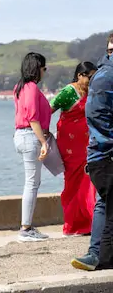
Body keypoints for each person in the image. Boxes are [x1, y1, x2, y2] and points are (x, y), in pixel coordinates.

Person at [72, 33, 113, 271]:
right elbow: (99, 118)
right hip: (106, 154)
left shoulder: (102, 73)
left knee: (103, 203)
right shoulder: (107, 76)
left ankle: (95, 253)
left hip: (99, 153)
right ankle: (99, 256)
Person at [50, 62, 98, 236]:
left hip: (88, 144)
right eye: (89, 77)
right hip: (70, 146)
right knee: (72, 183)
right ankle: (72, 225)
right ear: (80, 75)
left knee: (90, 181)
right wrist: (43, 136)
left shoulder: (90, 92)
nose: (92, 80)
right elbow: (48, 109)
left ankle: (90, 223)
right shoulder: (68, 92)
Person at [12, 52, 53, 242]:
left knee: (32, 182)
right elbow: (33, 118)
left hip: (23, 135)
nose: (45, 72)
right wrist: (43, 142)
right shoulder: (31, 88)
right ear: (38, 68)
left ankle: (27, 227)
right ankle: (25, 228)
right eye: (44, 68)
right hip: (29, 136)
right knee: (32, 183)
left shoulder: (19, 87)